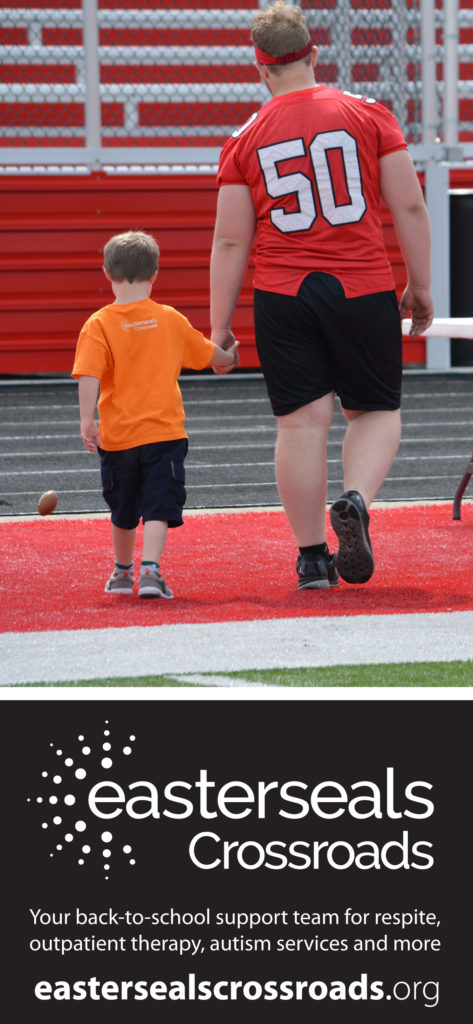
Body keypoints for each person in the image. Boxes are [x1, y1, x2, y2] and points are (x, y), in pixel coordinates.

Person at [210, 0, 433, 590]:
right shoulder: (368, 114)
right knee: (376, 409)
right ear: (313, 53)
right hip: (361, 283)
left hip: (283, 292)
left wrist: (219, 326)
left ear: (261, 69)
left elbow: (231, 242)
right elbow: (408, 203)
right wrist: (422, 284)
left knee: (301, 426)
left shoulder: (244, 139)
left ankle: (311, 558)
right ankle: (355, 499)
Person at [72, 230, 239, 598]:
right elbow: (208, 352)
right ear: (155, 274)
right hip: (165, 435)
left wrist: (87, 419)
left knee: (123, 508)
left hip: (118, 438)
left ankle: (121, 573)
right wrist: (229, 357)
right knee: (159, 505)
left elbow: (89, 374)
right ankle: (151, 571)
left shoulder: (98, 324)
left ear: (107, 272)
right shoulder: (169, 319)